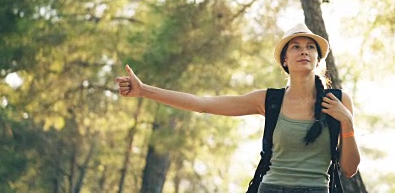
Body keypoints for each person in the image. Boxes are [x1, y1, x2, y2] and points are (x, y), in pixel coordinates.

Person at [116, 23, 361, 193]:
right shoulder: (270, 100)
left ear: (318, 59)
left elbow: (349, 169)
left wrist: (347, 122)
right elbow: (203, 105)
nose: (304, 51)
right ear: (285, 60)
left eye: (310, 47)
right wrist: (143, 90)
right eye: (295, 46)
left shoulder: (338, 101)